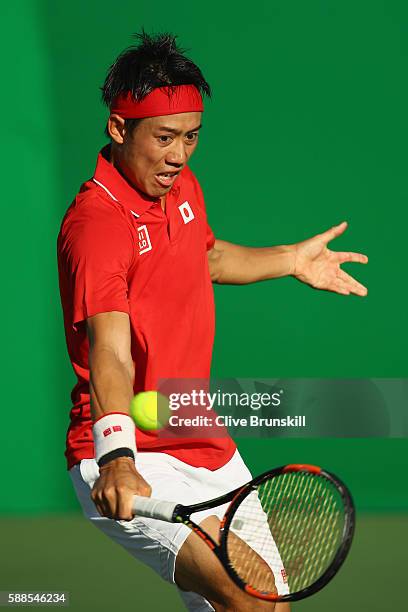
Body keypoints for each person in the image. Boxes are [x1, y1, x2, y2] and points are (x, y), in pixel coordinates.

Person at [57, 31, 368, 612]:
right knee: (245, 598)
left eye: (191, 138)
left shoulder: (179, 186)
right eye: (165, 138)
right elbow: (110, 350)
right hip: (135, 450)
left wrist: (291, 260)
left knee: (270, 603)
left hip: (200, 433)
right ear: (119, 129)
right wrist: (117, 456)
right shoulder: (97, 226)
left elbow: (206, 257)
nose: (179, 156)